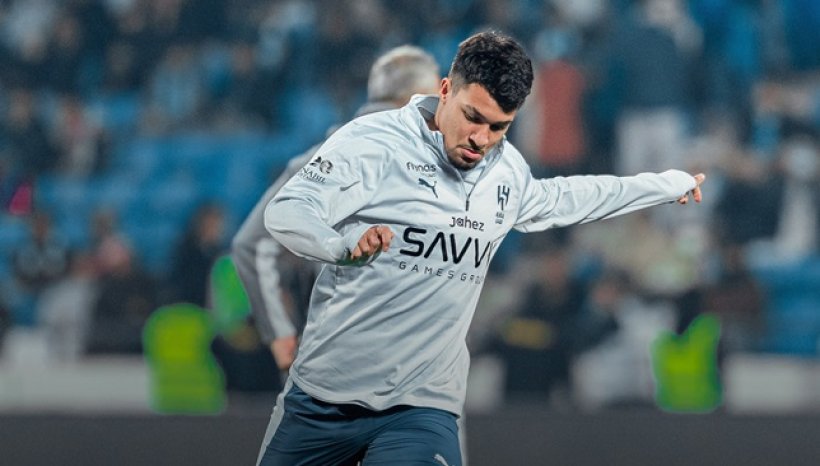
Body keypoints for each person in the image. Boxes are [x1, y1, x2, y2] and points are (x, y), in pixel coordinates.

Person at [259, 31, 705, 465]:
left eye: (499, 127)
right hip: (323, 398)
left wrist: (663, 185)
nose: (481, 139)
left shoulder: (506, 171)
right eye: (473, 117)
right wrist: (339, 246)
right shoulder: (373, 143)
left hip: (421, 407)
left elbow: (570, 197)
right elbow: (287, 209)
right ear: (445, 90)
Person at [231, 45, 441, 376]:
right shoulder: (437, 165)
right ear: (414, 98)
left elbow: (252, 245)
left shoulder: (318, 157)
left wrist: (281, 334)